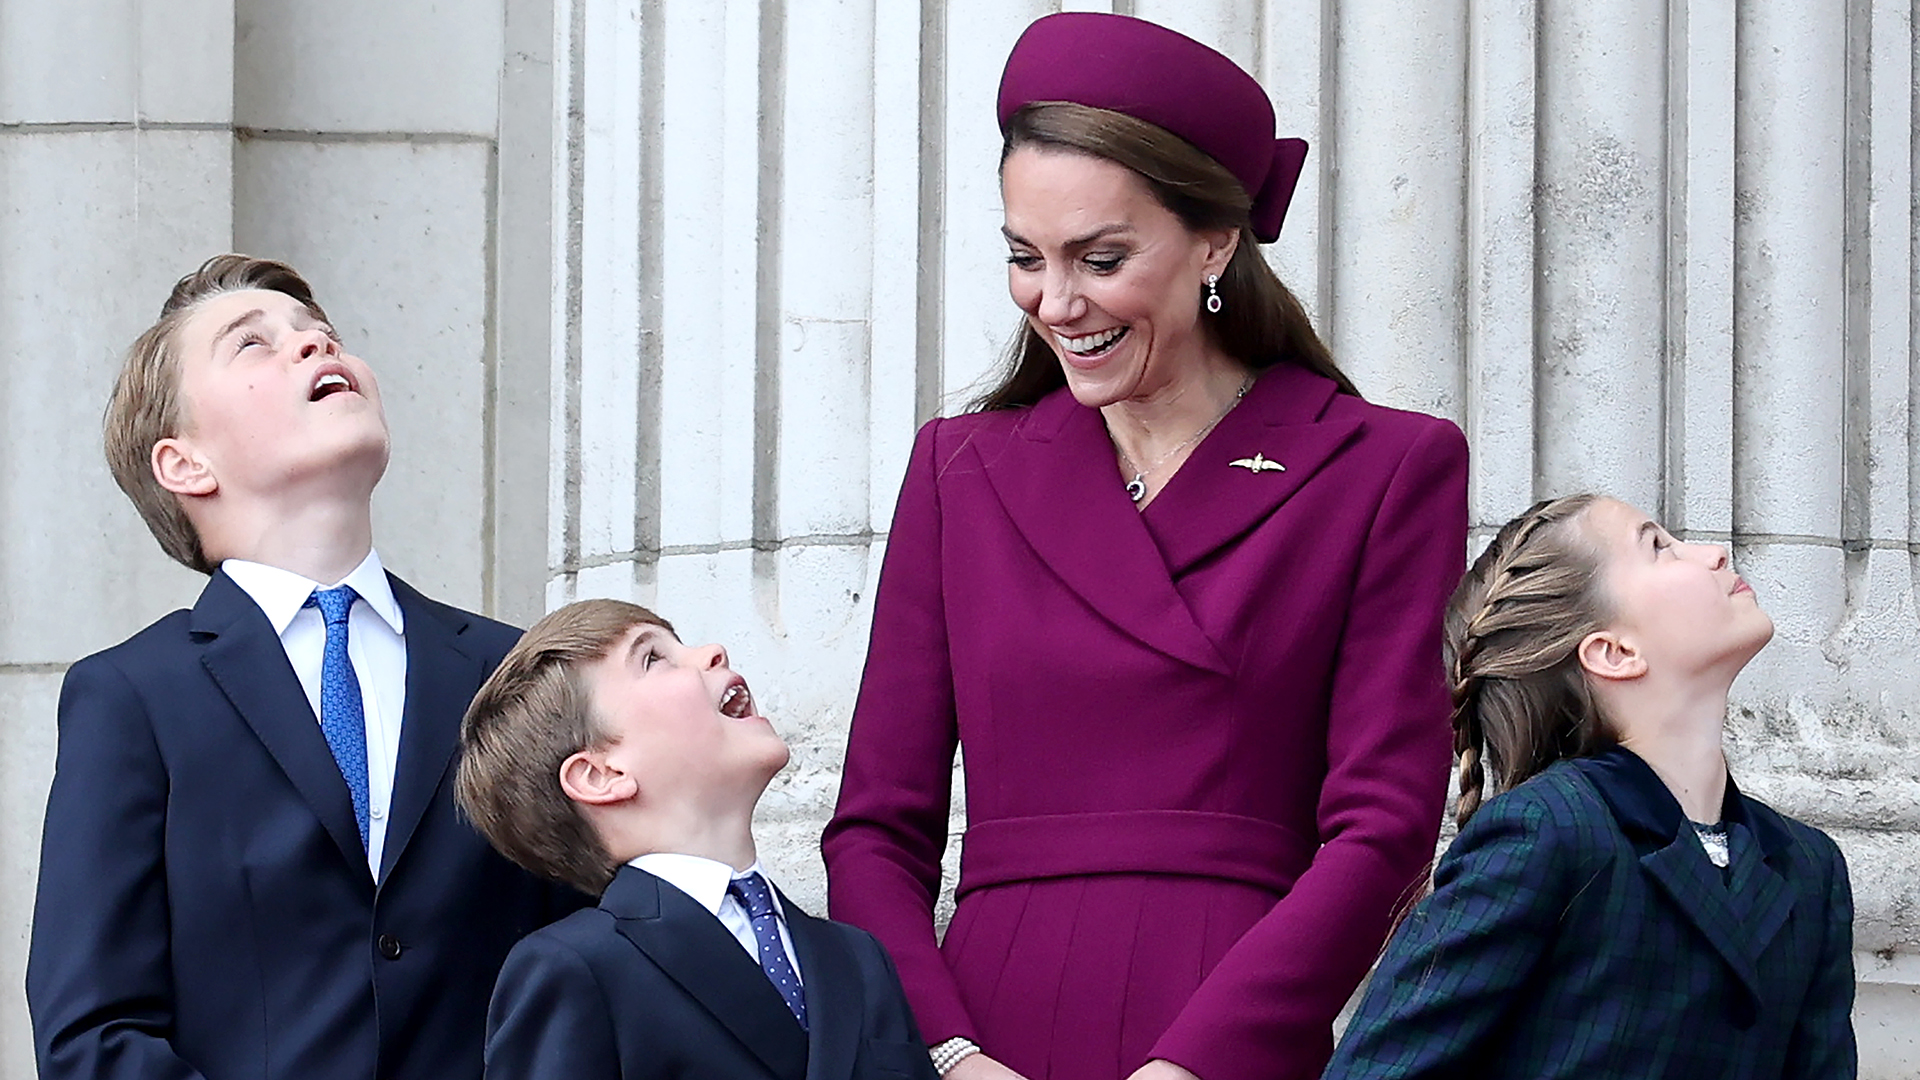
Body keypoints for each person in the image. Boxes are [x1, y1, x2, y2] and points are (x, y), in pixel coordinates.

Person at [821, 13, 1470, 1080]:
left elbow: (1386, 825)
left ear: (1216, 242)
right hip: (983, 1030)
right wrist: (941, 1050)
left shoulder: (1384, 467)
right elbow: (875, 831)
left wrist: (1201, 1066)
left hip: (1226, 1024)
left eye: (1102, 258)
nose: (1057, 304)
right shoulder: (959, 471)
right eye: (1025, 258)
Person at [26, 255, 585, 1080]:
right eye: (252, 344)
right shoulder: (133, 697)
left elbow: (588, 972)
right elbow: (93, 1034)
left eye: (322, 333)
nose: (313, 345)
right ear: (185, 464)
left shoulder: (513, 670)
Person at [1321, 495, 1857, 1079]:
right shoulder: (1547, 831)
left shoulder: (1809, 865)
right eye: (1659, 546)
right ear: (1614, 652)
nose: (1715, 553)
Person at [456, 599, 938, 1080]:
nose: (713, 652)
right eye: (653, 658)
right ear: (601, 775)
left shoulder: (857, 958)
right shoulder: (577, 967)